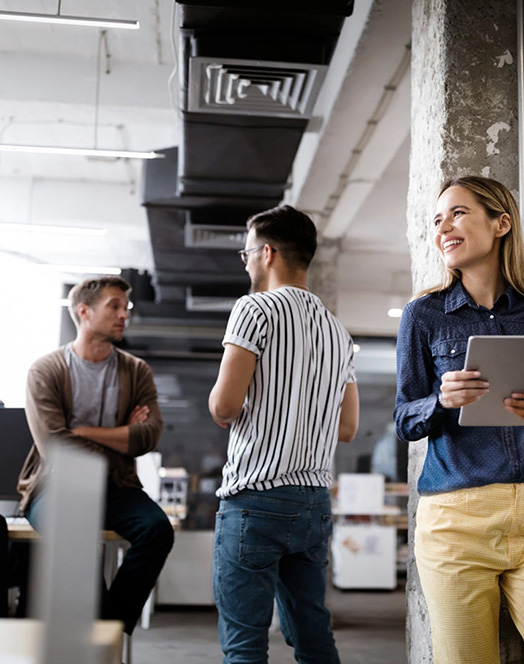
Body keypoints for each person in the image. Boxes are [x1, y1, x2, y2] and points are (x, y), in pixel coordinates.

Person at [394, 176, 524, 664]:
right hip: (455, 524)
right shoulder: (424, 315)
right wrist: (440, 401)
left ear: (501, 223)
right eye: (437, 219)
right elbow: (404, 419)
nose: (444, 227)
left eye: (458, 213)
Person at [208, 205, 360, 664]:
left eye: (247, 252)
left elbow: (223, 406)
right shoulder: (338, 331)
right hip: (312, 502)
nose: (247, 261)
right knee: (313, 635)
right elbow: (348, 428)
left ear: (267, 252)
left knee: (245, 643)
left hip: (254, 497)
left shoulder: (254, 309)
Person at [17, 275, 173, 634]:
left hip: (117, 485)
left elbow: (149, 436)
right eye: (114, 307)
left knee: (157, 531)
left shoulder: (136, 371)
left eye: (126, 308)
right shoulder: (46, 370)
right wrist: (121, 437)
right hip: (56, 486)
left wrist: (84, 432)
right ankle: (105, 642)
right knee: (76, 536)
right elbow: (55, 446)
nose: (124, 315)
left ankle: (109, 633)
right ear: (84, 312)